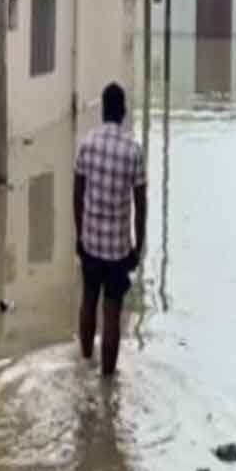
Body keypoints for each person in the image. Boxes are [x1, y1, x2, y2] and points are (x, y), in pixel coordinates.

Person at [74, 82, 147, 376]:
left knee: (88, 299)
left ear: (103, 111)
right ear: (124, 112)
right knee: (112, 312)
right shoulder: (134, 151)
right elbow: (141, 204)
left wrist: (79, 235)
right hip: (118, 249)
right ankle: (107, 379)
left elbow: (77, 194)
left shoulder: (87, 144)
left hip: (91, 242)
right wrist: (137, 246)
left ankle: (84, 360)